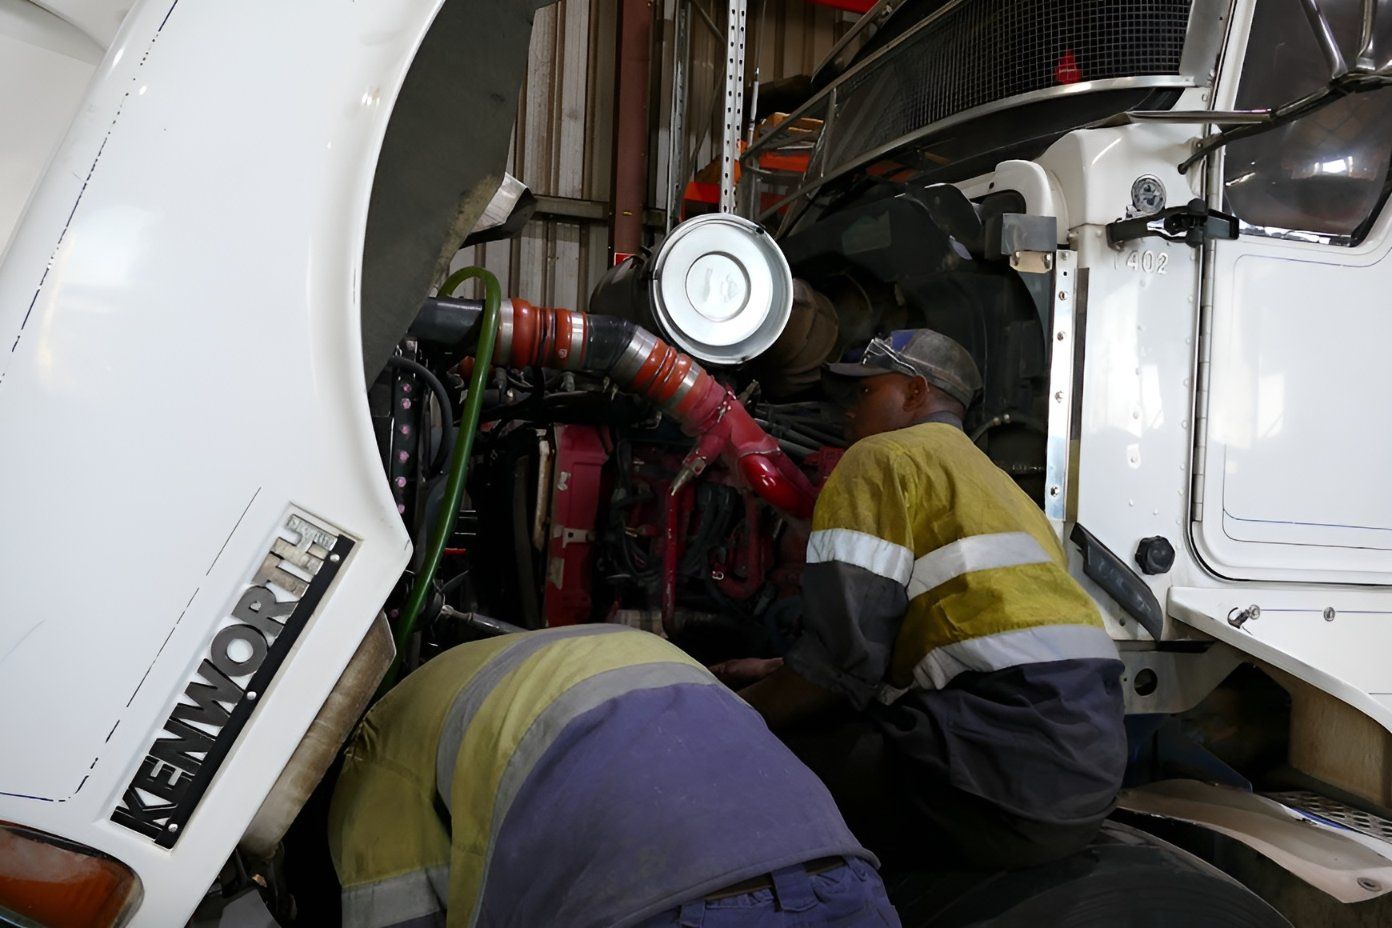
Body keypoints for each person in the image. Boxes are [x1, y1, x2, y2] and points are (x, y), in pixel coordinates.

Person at [722, 329, 1127, 871]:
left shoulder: (881, 458)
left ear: (915, 393)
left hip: (999, 769)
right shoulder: (1001, 487)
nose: (848, 412)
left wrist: (727, 714)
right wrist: (782, 669)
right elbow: (962, 635)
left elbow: (837, 673)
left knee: (740, 773)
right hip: (1082, 765)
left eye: (865, 393)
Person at [328, 624, 901, 928]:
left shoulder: (375, 754)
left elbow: (397, 913)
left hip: (674, 907)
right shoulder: (590, 646)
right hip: (847, 879)